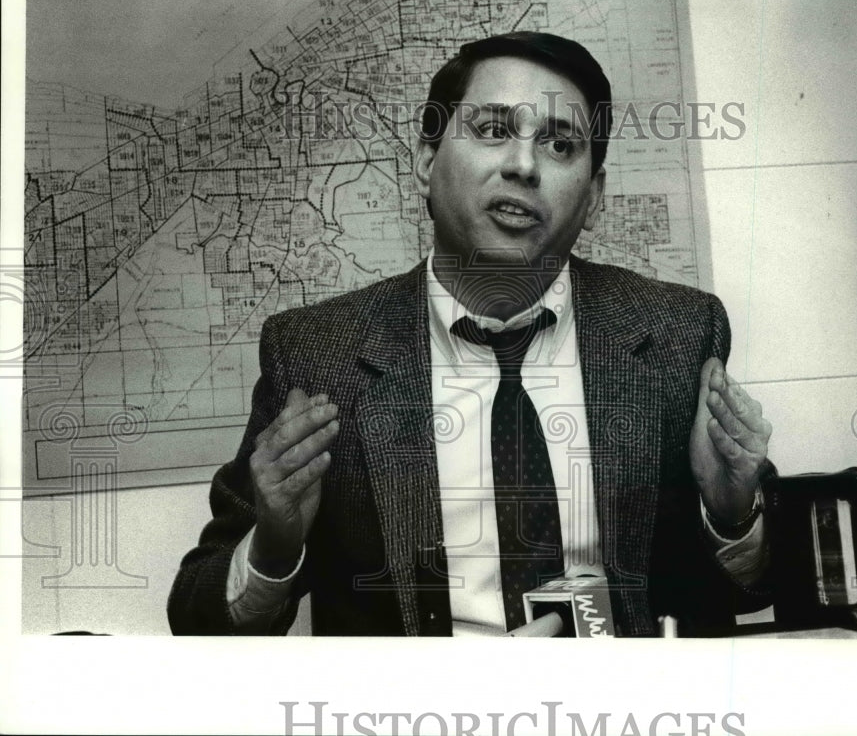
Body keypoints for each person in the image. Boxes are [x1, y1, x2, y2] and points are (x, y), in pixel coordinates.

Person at [168, 31, 774, 637]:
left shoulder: (677, 334)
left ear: (593, 197)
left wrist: (732, 515)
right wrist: (274, 547)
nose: (523, 165)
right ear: (427, 158)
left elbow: (765, 588)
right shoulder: (317, 355)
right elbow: (197, 621)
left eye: (561, 144)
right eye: (491, 130)